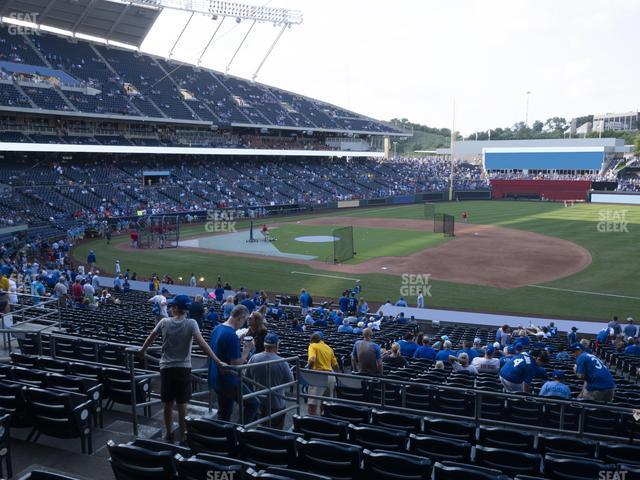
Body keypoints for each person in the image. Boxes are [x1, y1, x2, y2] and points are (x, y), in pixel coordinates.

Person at [138, 294, 224, 443]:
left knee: (168, 403)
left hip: (166, 368)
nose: (170, 308)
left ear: (176, 308)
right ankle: (184, 435)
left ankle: (169, 433)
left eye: (172, 306)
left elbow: (151, 337)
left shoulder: (164, 322)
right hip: (183, 369)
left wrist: (142, 350)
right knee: (182, 404)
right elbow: (203, 344)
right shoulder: (191, 323)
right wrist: (217, 361)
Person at [208, 305, 259, 422]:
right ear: (240, 317)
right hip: (228, 380)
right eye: (245, 320)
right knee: (253, 404)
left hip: (216, 377)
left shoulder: (217, 328)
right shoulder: (231, 335)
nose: (245, 324)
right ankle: (238, 433)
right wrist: (246, 350)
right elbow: (235, 363)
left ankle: (224, 436)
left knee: (224, 412)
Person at [247, 332, 293, 429]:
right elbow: (290, 381)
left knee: (261, 428)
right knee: (276, 432)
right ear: (276, 345)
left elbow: (247, 376)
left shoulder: (253, 358)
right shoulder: (282, 361)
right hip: (276, 402)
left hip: (258, 399)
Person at [306, 332, 338, 416]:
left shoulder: (312, 346)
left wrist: (309, 370)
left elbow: (312, 360)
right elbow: (335, 365)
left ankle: (312, 426)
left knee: (312, 405)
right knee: (326, 405)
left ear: (312, 340)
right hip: (330, 376)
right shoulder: (329, 348)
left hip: (318, 376)